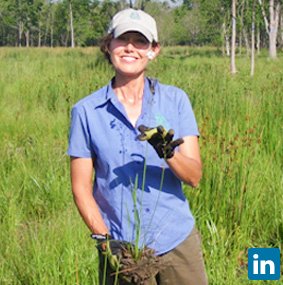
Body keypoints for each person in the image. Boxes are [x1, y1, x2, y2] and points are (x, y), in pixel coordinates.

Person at [68, 8, 208, 285]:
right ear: (108, 46)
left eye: (140, 41)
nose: (130, 47)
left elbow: (194, 177)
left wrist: (169, 153)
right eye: (122, 39)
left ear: (153, 50)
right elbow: (81, 188)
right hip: (122, 245)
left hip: (176, 238)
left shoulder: (175, 100)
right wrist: (106, 241)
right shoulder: (86, 111)